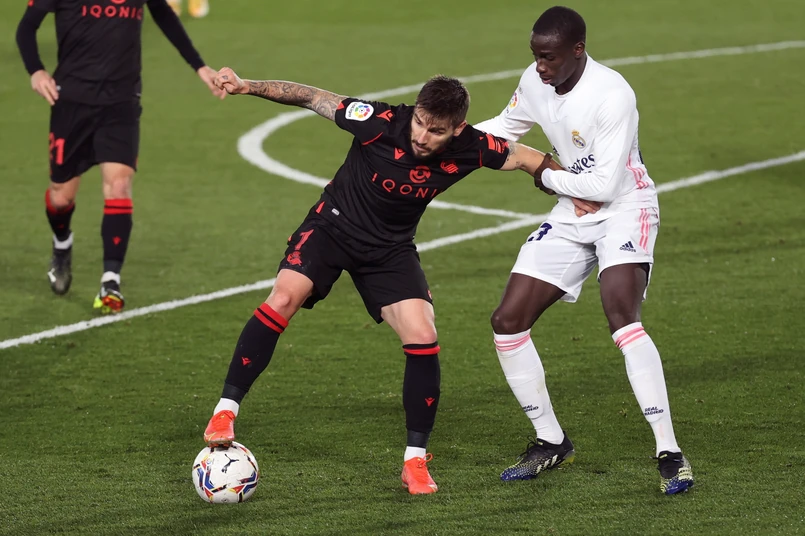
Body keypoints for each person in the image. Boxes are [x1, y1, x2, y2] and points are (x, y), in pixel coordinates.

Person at [201, 68, 589, 495]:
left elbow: (528, 158)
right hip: (331, 228)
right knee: (284, 297)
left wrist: (569, 188)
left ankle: (415, 462)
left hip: (389, 250)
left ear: (457, 128)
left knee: (423, 334)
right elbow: (311, 96)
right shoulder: (379, 121)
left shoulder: (473, 146)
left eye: (436, 131)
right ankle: (225, 411)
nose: (422, 136)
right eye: (420, 122)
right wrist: (247, 86)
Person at [474, 6, 695, 495]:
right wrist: (443, 136)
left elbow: (602, 187)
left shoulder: (612, 95)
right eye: (535, 55)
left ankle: (670, 453)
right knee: (507, 321)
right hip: (572, 209)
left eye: (549, 57)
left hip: (625, 207)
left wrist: (541, 171)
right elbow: (505, 128)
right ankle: (550, 441)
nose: (540, 66)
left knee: (621, 316)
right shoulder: (535, 81)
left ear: (578, 50)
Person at [16, 0, 224, 313]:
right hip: (71, 101)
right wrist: (35, 70)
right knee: (60, 198)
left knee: (119, 186)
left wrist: (200, 66)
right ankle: (62, 244)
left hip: (121, 102)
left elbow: (162, 13)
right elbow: (26, 27)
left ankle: (110, 280)